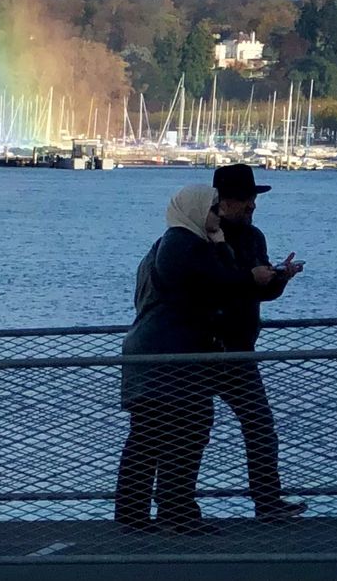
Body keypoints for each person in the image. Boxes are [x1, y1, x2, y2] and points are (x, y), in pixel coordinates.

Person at [115, 183, 279, 535]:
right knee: (186, 429)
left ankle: (133, 514)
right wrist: (246, 273)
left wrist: (223, 248)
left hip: (155, 352)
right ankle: (177, 512)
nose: (217, 215)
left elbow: (215, 284)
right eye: (213, 209)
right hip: (172, 355)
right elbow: (218, 284)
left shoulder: (174, 243)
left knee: (149, 433)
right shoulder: (183, 246)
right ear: (196, 210)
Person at [209, 162, 306, 521]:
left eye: (252, 200)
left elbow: (261, 292)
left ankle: (267, 501)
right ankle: (177, 505)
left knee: (260, 423)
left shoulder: (254, 237)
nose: (252, 207)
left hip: (239, 347)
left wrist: (279, 279)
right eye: (246, 200)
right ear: (225, 202)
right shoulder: (202, 235)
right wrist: (250, 279)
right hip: (204, 344)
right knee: (189, 427)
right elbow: (208, 284)